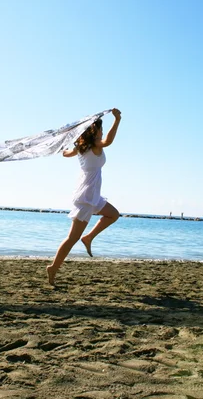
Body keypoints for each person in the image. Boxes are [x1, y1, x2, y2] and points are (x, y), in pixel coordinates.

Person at [46, 108, 122, 285]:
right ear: (94, 132)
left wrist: (62, 149)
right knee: (71, 238)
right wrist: (117, 120)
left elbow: (66, 154)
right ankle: (53, 267)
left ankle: (88, 238)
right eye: (101, 130)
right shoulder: (94, 146)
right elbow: (109, 141)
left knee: (113, 214)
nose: (102, 132)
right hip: (86, 197)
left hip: (93, 194)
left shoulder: (82, 147)